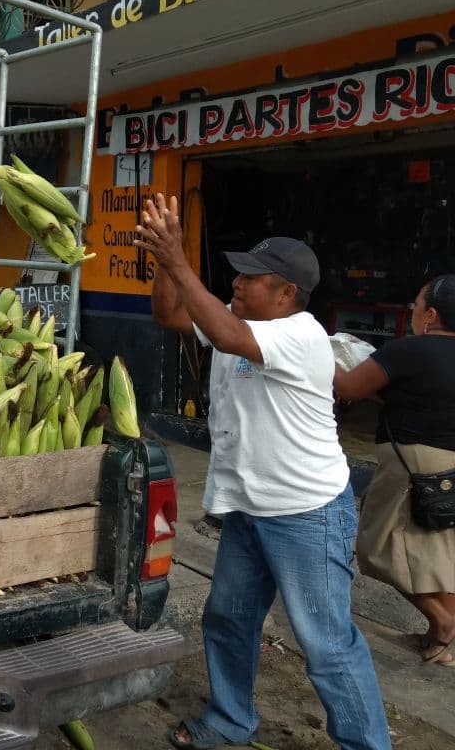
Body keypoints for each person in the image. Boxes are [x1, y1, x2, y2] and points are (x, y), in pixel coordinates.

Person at [134, 194, 390, 750]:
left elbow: (227, 335)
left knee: (326, 646)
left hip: (307, 516)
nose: (237, 282)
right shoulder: (239, 323)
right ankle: (230, 719)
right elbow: (170, 315)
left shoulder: (301, 335)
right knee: (228, 619)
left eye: (251, 278)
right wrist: (162, 261)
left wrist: (178, 258)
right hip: (248, 511)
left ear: (286, 293)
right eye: (239, 274)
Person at [334, 274, 455, 667]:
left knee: (373, 548)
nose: (412, 310)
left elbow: (349, 388)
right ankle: (440, 640)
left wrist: (319, 355)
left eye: (416, 304)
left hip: (411, 464)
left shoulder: (410, 350)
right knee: (440, 555)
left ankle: (444, 622)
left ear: (431, 314)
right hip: (448, 467)